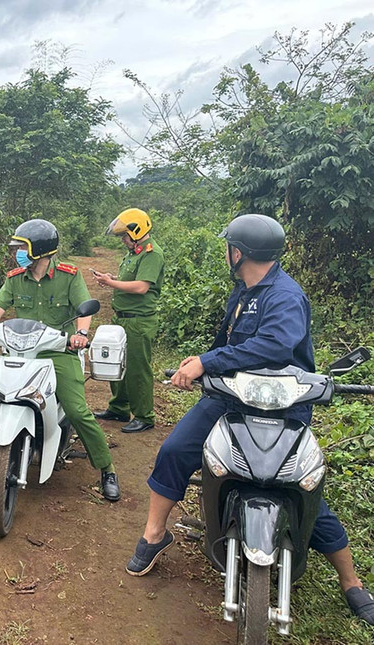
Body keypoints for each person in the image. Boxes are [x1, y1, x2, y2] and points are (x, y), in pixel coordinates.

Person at [125, 213, 374, 625]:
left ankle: (352, 582)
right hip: (232, 399)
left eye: (228, 247)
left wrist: (207, 362)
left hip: (283, 408)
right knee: (175, 450)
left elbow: (274, 347)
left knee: (302, 485)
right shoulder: (243, 290)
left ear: (237, 252)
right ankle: (155, 533)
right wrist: (201, 367)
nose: (227, 252)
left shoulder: (286, 296)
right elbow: (227, 343)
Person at [0, 218, 121, 501]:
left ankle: (107, 469)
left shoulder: (68, 275)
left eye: (21, 248)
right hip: (20, 351)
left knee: (76, 409)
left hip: (57, 352)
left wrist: (82, 333)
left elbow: (83, 308)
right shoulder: (15, 278)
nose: (16, 254)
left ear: (39, 250)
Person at [92, 208, 165, 433]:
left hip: (138, 321)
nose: (122, 240)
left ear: (137, 231)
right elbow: (130, 280)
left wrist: (111, 283)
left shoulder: (151, 253)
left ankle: (144, 416)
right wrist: (112, 279)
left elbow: (142, 287)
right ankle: (119, 408)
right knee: (117, 363)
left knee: (137, 369)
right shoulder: (134, 253)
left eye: (124, 235)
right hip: (121, 319)